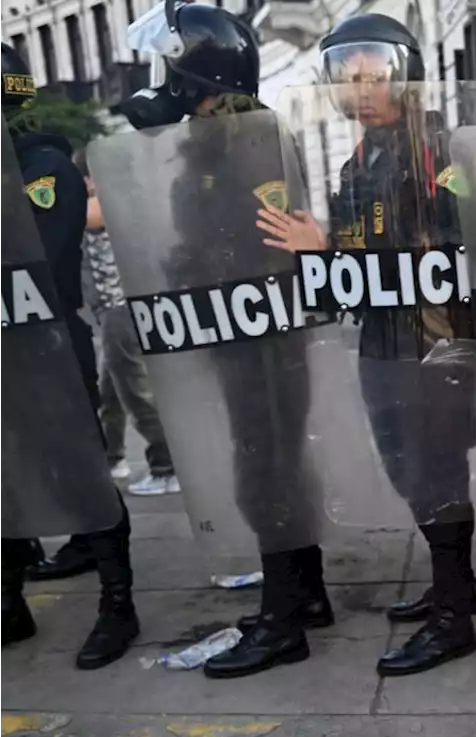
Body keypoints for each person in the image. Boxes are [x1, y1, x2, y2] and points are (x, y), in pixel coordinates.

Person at [256, 13, 476, 677]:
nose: (358, 87)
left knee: (436, 474)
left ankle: (454, 620)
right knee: (410, 472)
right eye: (346, 75)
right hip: (384, 340)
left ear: (404, 76)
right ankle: (456, 585)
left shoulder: (435, 148)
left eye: (372, 73)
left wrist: (326, 248)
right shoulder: (362, 156)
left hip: (433, 342)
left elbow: (460, 238)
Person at [111, 1, 331, 678]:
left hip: (260, 332)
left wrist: (188, 259)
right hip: (246, 328)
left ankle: (284, 621)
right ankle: (304, 593)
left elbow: (244, 235)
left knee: (265, 471)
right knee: (273, 463)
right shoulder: (225, 130)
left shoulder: (241, 136)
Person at [0, 42, 140, 669]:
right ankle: (8, 601)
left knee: (82, 473)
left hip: (50, 350)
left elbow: (45, 259)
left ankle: (118, 603)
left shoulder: (42, 165)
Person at [76, 153, 181, 497]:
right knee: (112, 392)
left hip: (121, 309)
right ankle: (113, 458)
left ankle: (167, 468)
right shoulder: (117, 199)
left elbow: (78, 215)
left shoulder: (106, 203)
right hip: (114, 312)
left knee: (136, 393)